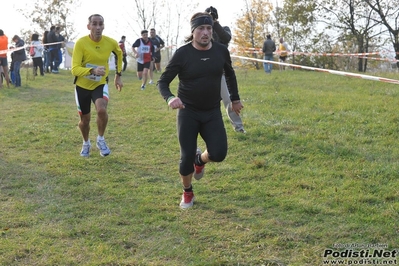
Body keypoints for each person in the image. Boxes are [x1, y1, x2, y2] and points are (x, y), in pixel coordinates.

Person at [158, 12, 244, 209]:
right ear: (193, 32)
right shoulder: (183, 53)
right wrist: (171, 98)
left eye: (208, 29)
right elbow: (163, 82)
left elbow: (230, 75)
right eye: (201, 29)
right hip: (188, 111)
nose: (205, 33)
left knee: (219, 153)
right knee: (185, 156)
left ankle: (201, 159)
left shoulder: (221, 51)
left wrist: (235, 99)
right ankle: (187, 192)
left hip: (212, 111)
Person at [71, 14, 123, 157]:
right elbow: (74, 69)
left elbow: (119, 54)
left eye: (101, 24)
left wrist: (118, 75)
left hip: (99, 84)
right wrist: (92, 70)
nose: (98, 27)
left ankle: (100, 139)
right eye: (94, 24)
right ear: (89, 26)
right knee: (84, 121)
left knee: (101, 110)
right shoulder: (81, 43)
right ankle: (86, 143)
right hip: (82, 86)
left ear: (104, 26)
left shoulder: (110, 42)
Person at [205, 6, 246, 133]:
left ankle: (239, 128)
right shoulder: (204, 31)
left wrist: (215, 23)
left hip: (221, 72)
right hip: (205, 72)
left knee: (229, 101)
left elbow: (226, 38)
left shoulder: (223, 28)